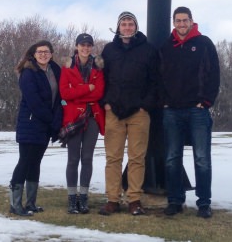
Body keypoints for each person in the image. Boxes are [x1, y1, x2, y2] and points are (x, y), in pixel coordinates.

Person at [160, 6, 220, 218]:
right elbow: (158, 77)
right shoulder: (167, 47)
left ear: (192, 21)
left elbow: (214, 75)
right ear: (174, 22)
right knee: (172, 158)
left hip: (197, 111)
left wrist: (206, 101)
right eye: (178, 20)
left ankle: (204, 203)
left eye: (185, 20)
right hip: (172, 111)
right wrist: (164, 102)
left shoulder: (204, 44)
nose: (182, 24)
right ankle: (175, 200)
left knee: (202, 158)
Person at [99, 11, 161, 216]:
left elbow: (155, 82)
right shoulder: (109, 50)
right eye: (123, 24)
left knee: (137, 158)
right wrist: (105, 102)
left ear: (136, 27)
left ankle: (134, 199)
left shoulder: (148, 50)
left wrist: (145, 105)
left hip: (139, 113)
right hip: (114, 111)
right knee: (113, 158)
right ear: (118, 27)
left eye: (130, 23)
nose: (127, 27)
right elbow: (103, 79)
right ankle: (112, 199)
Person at [8, 40, 62, 216]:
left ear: (51, 54)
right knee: (24, 162)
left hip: (46, 126)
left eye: (47, 51)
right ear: (34, 53)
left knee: (35, 163)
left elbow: (60, 97)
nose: (43, 54)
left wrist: (57, 119)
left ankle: (30, 203)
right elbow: (34, 102)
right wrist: (52, 120)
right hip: (31, 124)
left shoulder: (56, 71)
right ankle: (15, 204)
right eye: (40, 52)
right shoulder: (28, 72)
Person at [59, 33, 105, 214]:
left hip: (92, 117)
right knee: (73, 158)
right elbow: (64, 93)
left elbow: (99, 93)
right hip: (74, 118)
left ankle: (83, 197)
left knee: (87, 158)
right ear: (76, 46)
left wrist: (76, 91)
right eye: (82, 45)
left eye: (89, 45)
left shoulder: (98, 67)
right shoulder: (67, 66)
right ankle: (72, 198)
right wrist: (87, 88)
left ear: (92, 47)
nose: (86, 48)